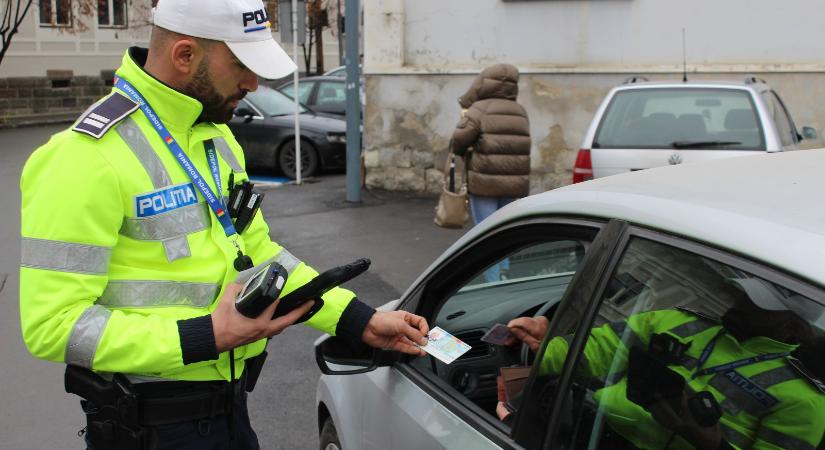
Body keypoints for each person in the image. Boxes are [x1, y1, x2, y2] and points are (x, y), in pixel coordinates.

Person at [19, 1, 429, 448]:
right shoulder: (81, 157)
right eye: (241, 66)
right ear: (184, 55)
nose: (253, 85)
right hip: (149, 428)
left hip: (229, 413)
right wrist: (205, 336)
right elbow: (54, 325)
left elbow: (259, 257)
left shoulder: (216, 136)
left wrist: (359, 320)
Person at [498, 285, 825, 450]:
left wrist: (712, 444)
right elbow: (595, 350)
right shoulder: (678, 321)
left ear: (794, 327)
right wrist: (547, 346)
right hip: (588, 431)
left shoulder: (806, 401)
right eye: (744, 295)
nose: (740, 303)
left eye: (758, 306)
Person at [450, 63, 531, 281]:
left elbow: (459, 140)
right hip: (514, 185)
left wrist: (461, 150)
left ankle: (493, 281)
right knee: (506, 230)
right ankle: (504, 272)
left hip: (484, 184)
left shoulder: (479, 109)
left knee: (486, 233)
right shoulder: (520, 111)